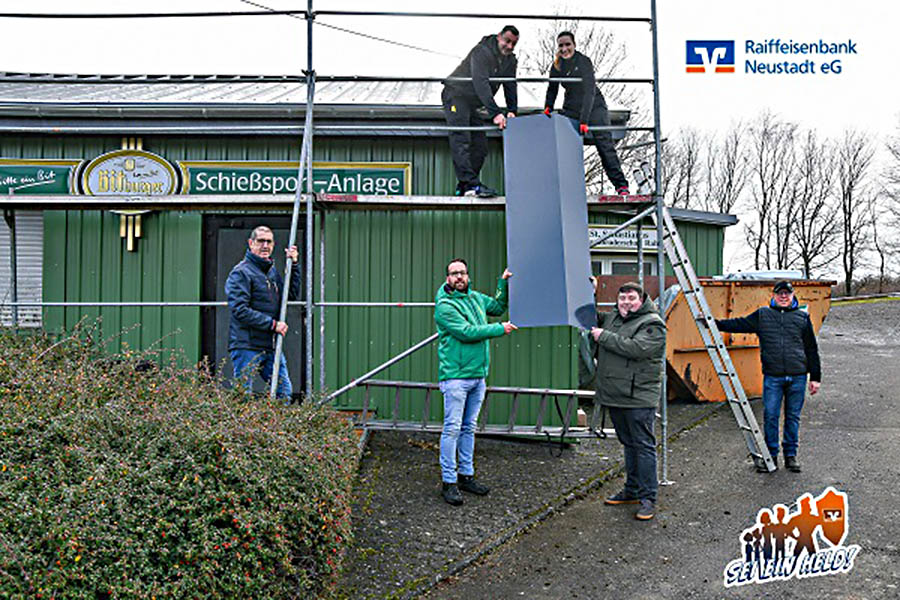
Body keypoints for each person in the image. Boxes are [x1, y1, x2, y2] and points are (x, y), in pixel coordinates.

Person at [715, 280, 821, 473]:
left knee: (792, 417)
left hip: (797, 376)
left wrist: (815, 377)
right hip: (773, 377)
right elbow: (739, 324)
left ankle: (791, 456)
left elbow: (811, 349)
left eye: (786, 294)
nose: (783, 297)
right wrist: (714, 324)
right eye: (779, 293)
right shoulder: (763, 315)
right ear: (773, 295)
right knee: (770, 416)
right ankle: (770, 455)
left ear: (792, 296)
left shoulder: (802, 318)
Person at [435, 258, 516, 505]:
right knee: (452, 429)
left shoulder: (476, 298)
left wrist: (504, 282)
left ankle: (466, 476)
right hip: (455, 378)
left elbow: (498, 306)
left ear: (468, 276)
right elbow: (467, 332)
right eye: (454, 273)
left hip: (478, 377)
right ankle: (448, 482)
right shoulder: (445, 305)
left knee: (469, 428)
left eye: (462, 272)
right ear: (447, 278)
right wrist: (500, 329)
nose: (459, 277)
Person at [590, 281, 666, 520]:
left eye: (631, 298)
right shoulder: (613, 317)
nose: (626, 303)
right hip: (615, 393)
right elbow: (590, 318)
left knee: (643, 446)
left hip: (638, 396)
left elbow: (637, 348)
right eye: (622, 299)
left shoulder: (652, 323)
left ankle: (648, 499)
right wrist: (589, 293)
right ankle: (631, 490)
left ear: (641, 300)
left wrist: (603, 337)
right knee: (629, 444)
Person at [543, 31, 630, 195]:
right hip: (571, 106)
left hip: (593, 105)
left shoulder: (583, 61)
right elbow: (552, 88)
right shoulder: (556, 65)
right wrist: (547, 107)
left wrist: (584, 121)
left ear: (574, 45)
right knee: (564, 140)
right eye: (561, 45)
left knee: (604, 144)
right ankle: (565, 186)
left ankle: (621, 185)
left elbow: (589, 91)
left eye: (567, 44)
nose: (564, 49)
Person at [225, 225, 301, 400]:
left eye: (269, 241)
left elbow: (289, 295)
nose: (265, 245)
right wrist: (273, 325)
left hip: (270, 344)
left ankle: (277, 427)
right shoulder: (241, 273)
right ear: (251, 243)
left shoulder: (271, 272)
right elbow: (240, 310)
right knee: (243, 396)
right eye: (261, 241)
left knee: (284, 393)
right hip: (246, 344)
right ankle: (240, 427)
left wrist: (294, 265)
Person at [442, 26, 519, 198]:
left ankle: (465, 186)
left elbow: (510, 85)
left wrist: (512, 111)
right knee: (461, 138)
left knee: (481, 147)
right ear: (499, 37)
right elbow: (481, 83)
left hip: (471, 103)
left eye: (513, 44)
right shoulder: (481, 52)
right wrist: (496, 113)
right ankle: (470, 185)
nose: (509, 46)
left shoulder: (510, 61)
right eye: (507, 41)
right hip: (455, 94)